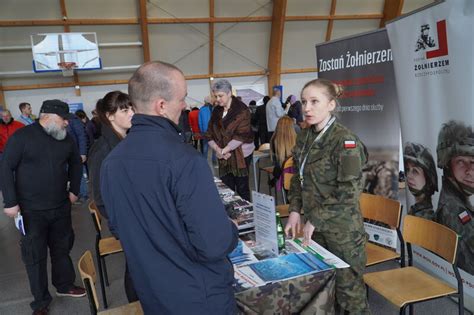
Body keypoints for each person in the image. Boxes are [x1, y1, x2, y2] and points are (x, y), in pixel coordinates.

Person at [100, 61, 239, 314]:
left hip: (152, 292)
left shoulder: (111, 163)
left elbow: (119, 227)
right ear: (161, 106)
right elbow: (213, 244)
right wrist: (231, 229)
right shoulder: (184, 160)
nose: (185, 105)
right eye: (182, 98)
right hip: (199, 296)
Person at [284, 78, 370, 314]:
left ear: (331, 105)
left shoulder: (345, 141)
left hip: (342, 233)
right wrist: (294, 210)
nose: (307, 108)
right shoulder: (305, 136)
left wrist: (314, 219)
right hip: (315, 228)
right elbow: (298, 178)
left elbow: (349, 192)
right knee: (322, 293)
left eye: (314, 101)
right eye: (303, 102)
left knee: (350, 296)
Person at [1, 100, 85, 315]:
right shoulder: (22, 137)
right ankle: (40, 302)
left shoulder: (65, 139)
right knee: (34, 257)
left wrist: (74, 189)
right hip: (31, 211)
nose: (67, 123)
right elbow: (5, 167)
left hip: (60, 206)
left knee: (62, 249)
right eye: (63, 119)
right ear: (46, 116)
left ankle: (65, 285)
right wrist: (10, 202)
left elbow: (76, 163)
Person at [88, 91, 137, 302]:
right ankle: (137, 305)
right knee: (135, 270)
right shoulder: (103, 149)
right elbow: (99, 197)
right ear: (109, 116)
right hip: (127, 220)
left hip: (133, 216)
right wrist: (121, 220)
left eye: (132, 108)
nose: (132, 114)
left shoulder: (125, 139)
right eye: (125, 110)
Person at [207, 79, 255, 201]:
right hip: (223, 154)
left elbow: (241, 135)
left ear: (229, 93)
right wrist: (218, 150)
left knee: (242, 188)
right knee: (227, 189)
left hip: (242, 155)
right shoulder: (216, 110)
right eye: (215, 96)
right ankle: (231, 217)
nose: (217, 99)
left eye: (220, 96)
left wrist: (223, 151)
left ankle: (246, 216)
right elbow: (209, 133)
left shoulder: (242, 110)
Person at [436, 120, 474, 274]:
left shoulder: (458, 200)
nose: (470, 170)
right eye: (461, 162)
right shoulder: (454, 209)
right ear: (447, 165)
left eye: (473, 162)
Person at [403, 142, 438, 220]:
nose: (408, 176)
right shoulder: (415, 211)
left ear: (428, 178)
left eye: (415, 171)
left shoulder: (426, 219)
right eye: (407, 169)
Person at [269, 116, 297, 189]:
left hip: (281, 172)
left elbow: (275, 161)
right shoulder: (297, 139)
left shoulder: (274, 140)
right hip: (295, 171)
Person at [66, 113, 88, 203]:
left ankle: (83, 194)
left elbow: (81, 136)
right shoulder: (59, 120)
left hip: (76, 153)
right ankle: (74, 194)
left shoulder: (74, 120)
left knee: (79, 174)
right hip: (64, 154)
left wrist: (82, 153)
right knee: (69, 175)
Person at [198, 95, 216, 162]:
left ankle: (204, 161)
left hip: (205, 131)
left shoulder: (201, 110)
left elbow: (199, 122)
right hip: (213, 131)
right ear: (210, 101)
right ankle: (214, 162)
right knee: (214, 147)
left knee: (205, 147)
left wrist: (202, 131)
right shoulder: (214, 109)